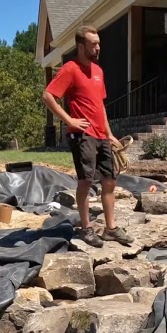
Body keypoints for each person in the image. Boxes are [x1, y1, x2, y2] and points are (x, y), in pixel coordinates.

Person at [41, 25, 134, 248]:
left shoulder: (98, 72)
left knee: (110, 179)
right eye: (94, 44)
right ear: (81, 46)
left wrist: (109, 133)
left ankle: (111, 229)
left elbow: (100, 104)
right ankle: (86, 229)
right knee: (86, 180)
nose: (98, 47)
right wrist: (70, 121)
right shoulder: (70, 69)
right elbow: (48, 96)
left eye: (99, 43)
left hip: (101, 134)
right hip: (82, 135)